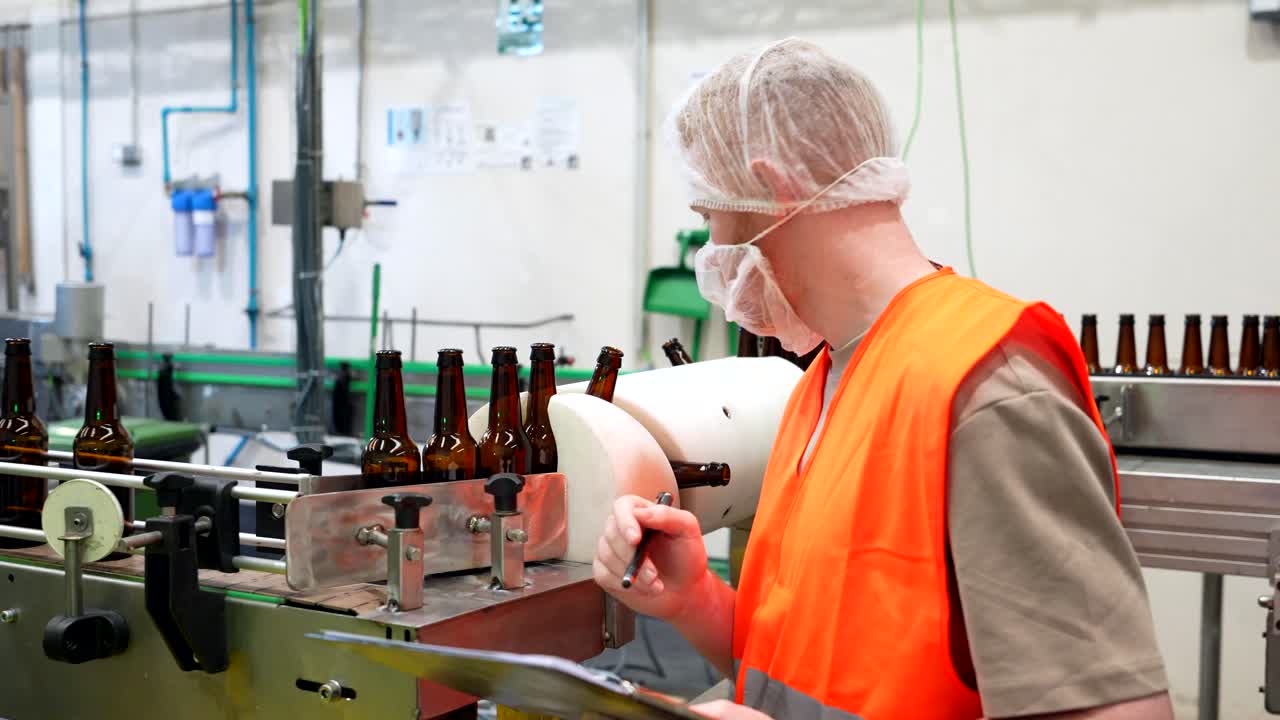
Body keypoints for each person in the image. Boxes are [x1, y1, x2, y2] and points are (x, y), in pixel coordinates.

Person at [594, 38, 1173, 720]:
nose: (714, 246)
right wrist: (689, 600)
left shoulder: (981, 387)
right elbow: (812, 676)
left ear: (772, 185)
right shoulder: (824, 382)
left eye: (708, 215)